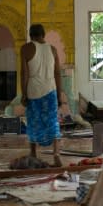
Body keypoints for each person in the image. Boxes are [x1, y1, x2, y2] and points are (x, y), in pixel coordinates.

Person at [20, 24, 66, 166]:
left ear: (30, 35)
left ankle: (33, 154)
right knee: (53, 121)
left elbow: (24, 73)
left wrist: (24, 94)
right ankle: (56, 154)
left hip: (34, 90)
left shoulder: (26, 48)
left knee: (34, 122)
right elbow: (57, 73)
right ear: (43, 34)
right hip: (50, 90)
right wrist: (59, 95)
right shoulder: (52, 49)